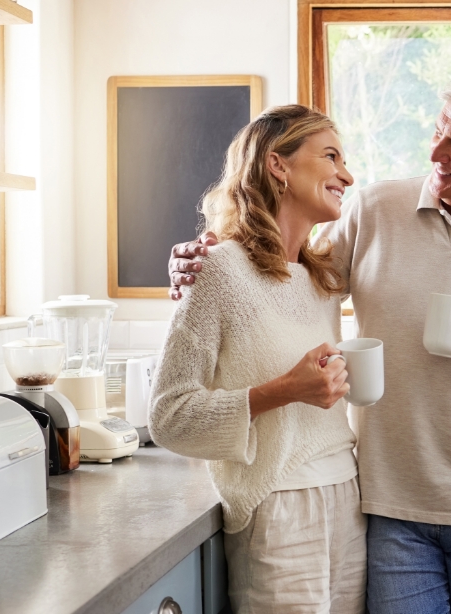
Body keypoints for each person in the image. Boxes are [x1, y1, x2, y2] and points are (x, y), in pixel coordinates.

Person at [168, 69, 451, 613]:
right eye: (437, 133)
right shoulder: (374, 211)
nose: (437, 154)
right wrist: (206, 253)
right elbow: (283, 269)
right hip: (387, 506)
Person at [149, 105, 368, 613]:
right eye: (330, 156)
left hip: (346, 498)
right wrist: (285, 390)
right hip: (277, 507)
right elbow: (168, 416)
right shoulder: (218, 269)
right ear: (278, 165)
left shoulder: (323, 280)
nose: (347, 174)